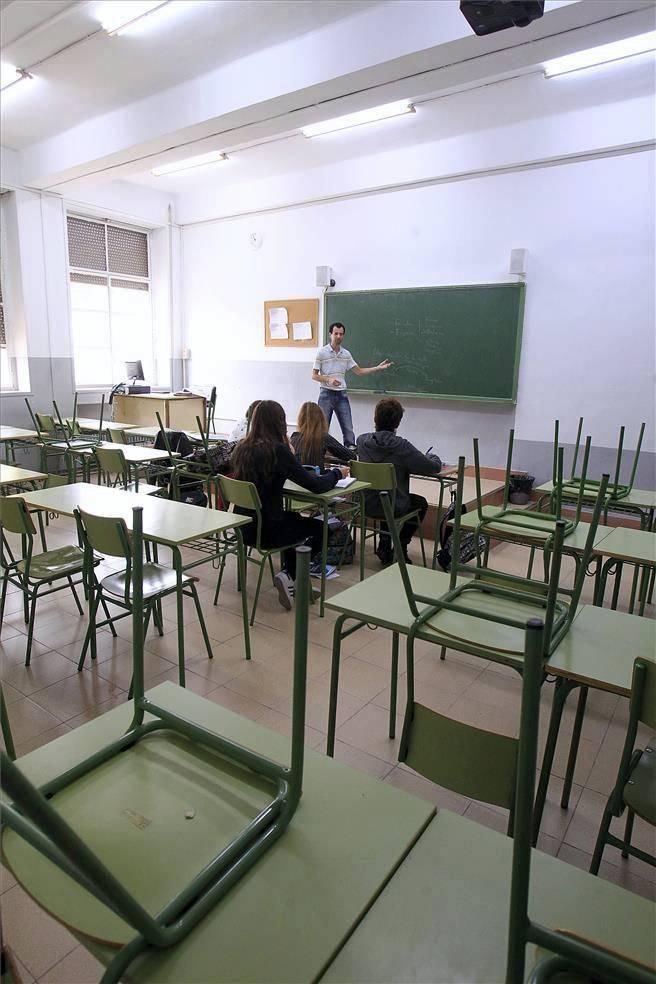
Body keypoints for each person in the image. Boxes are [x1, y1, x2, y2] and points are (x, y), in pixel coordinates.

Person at [231, 400, 349, 609]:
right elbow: (315, 485)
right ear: (280, 423)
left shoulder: (242, 447)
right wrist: (337, 473)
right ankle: (289, 575)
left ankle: (296, 582)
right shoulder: (277, 451)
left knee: (292, 520)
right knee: (321, 529)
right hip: (267, 531)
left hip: (243, 527)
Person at [356, 397, 442, 565]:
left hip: (365, 503)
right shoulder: (402, 447)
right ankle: (400, 546)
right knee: (418, 503)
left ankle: (385, 545)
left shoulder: (361, 441)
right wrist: (433, 457)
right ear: (397, 423)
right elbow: (432, 467)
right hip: (392, 505)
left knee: (385, 493)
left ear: (375, 418)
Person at [312, 322, 393, 448]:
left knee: (348, 429)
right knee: (322, 430)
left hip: (341, 395)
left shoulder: (346, 354)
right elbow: (314, 375)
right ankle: (319, 454)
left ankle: (350, 457)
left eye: (341, 334)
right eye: (336, 334)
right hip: (326, 394)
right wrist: (329, 380)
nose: (338, 336)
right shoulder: (322, 353)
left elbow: (359, 371)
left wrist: (378, 367)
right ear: (330, 334)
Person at [290, 401, 351, 468]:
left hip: (297, 477)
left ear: (300, 419)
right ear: (321, 419)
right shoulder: (323, 437)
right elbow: (350, 456)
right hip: (317, 476)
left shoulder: (294, 437)